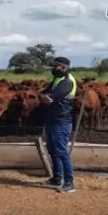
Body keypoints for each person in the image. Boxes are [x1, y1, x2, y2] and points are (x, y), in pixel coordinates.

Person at [39, 56, 77, 193]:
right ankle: (56, 178)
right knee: (53, 151)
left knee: (61, 152)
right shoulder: (57, 79)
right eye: (53, 65)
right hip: (52, 120)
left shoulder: (67, 82)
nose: (53, 68)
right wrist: (43, 97)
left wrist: (45, 97)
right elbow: (43, 94)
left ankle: (69, 182)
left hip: (61, 121)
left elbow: (50, 98)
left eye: (56, 66)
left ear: (64, 67)